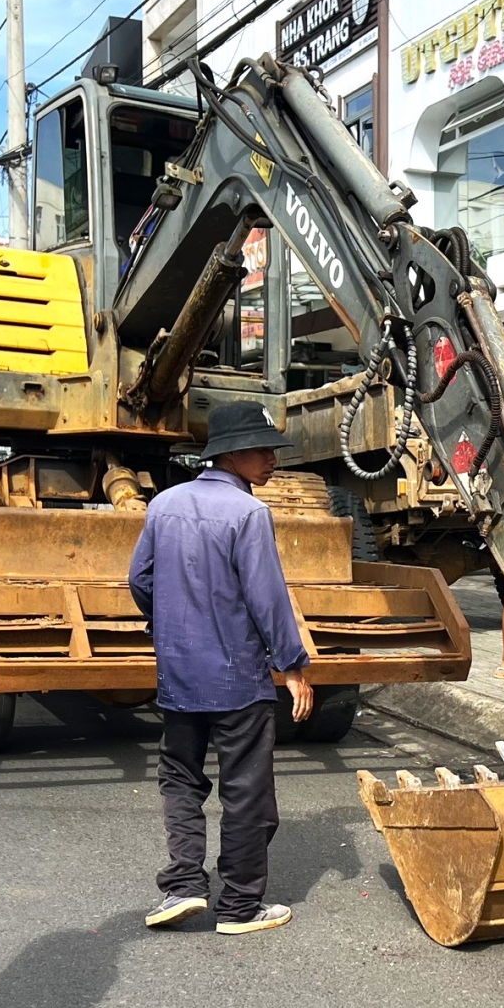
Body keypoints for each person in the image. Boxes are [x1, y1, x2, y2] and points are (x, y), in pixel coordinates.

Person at [131, 401, 314, 936]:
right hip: (238, 679)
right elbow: (268, 600)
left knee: (181, 779)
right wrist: (294, 666)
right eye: (263, 450)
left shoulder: (163, 505)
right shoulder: (248, 514)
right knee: (246, 790)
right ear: (231, 453)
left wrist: (171, 620)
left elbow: (140, 580)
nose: (272, 460)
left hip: (179, 676)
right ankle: (238, 906)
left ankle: (184, 885)